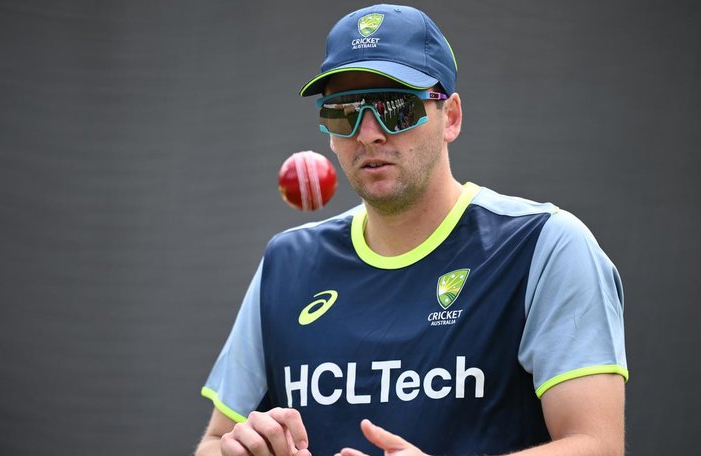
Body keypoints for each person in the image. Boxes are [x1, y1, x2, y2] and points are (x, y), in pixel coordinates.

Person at [196, 4, 627, 456]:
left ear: (451, 117)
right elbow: (213, 443)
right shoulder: (286, 263)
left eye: (394, 108)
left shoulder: (544, 245)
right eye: (342, 112)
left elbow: (597, 445)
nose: (368, 133)